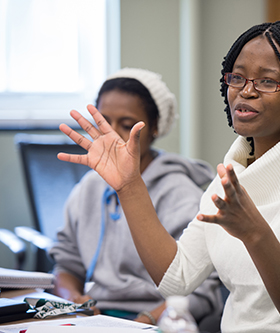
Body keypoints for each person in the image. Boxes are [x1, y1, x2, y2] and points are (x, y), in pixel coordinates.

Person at [57, 20, 280, 333]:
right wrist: (129, 185)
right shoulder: (232, 175)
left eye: (267, 81)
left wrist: (255, 234)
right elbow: (176, 278)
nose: (246, 91)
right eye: (238, 77)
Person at [49, 68, 223, 328]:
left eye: (128, 125)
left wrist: (146, 321)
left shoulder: (180, 193)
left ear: (155, 128)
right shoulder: (89, 187)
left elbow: (202, 288)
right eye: (105, 123)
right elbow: (66, 264)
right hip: (94, 317)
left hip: (155, 320)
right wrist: (72, 300)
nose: (113, 135)